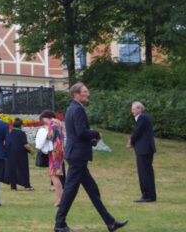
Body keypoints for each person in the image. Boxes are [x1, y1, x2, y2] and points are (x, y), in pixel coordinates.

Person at [54, 83, 128, 232]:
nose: (88, 94)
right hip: (77, 156)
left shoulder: (72, 108)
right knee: (70, 191)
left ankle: (111, 223)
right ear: (77, 94)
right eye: (85, 92)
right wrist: (96, 133)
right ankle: (59, 224)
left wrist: (93, 141)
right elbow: (81, 132)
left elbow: (78, 134)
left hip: (77, 154)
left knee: (92, 190)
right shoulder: (77, 109)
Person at [127, 101, 156, 203]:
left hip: (144, 149)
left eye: (133, 109)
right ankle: (151, 195)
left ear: (140, 109)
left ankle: (147, 195)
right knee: (148, 171)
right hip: (146, 149)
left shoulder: (142, 117)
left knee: (144, 172)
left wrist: (131, 141)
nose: (132, 111)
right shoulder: (145, 117)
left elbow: (137, 132)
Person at [40, 110, 64, 206]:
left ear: (47, 117)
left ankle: (59, 200)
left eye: (43, 119)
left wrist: (43, 133)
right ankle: (60, 199)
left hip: (54, 151)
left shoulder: (53, 123)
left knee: (54, 175)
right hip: (58, 150)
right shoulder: (58, 122)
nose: (44, 122)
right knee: (54, 175)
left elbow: (50, 136)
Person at [3, 118, 34, 191]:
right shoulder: (22, 133)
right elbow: (25, 144)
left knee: (12, 170)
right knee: (23, 170)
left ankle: (13, 187)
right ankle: (27, 186)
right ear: (21, 126)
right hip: (21, 155)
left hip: (11, 154)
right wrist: (31, 150)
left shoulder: (10, 133)